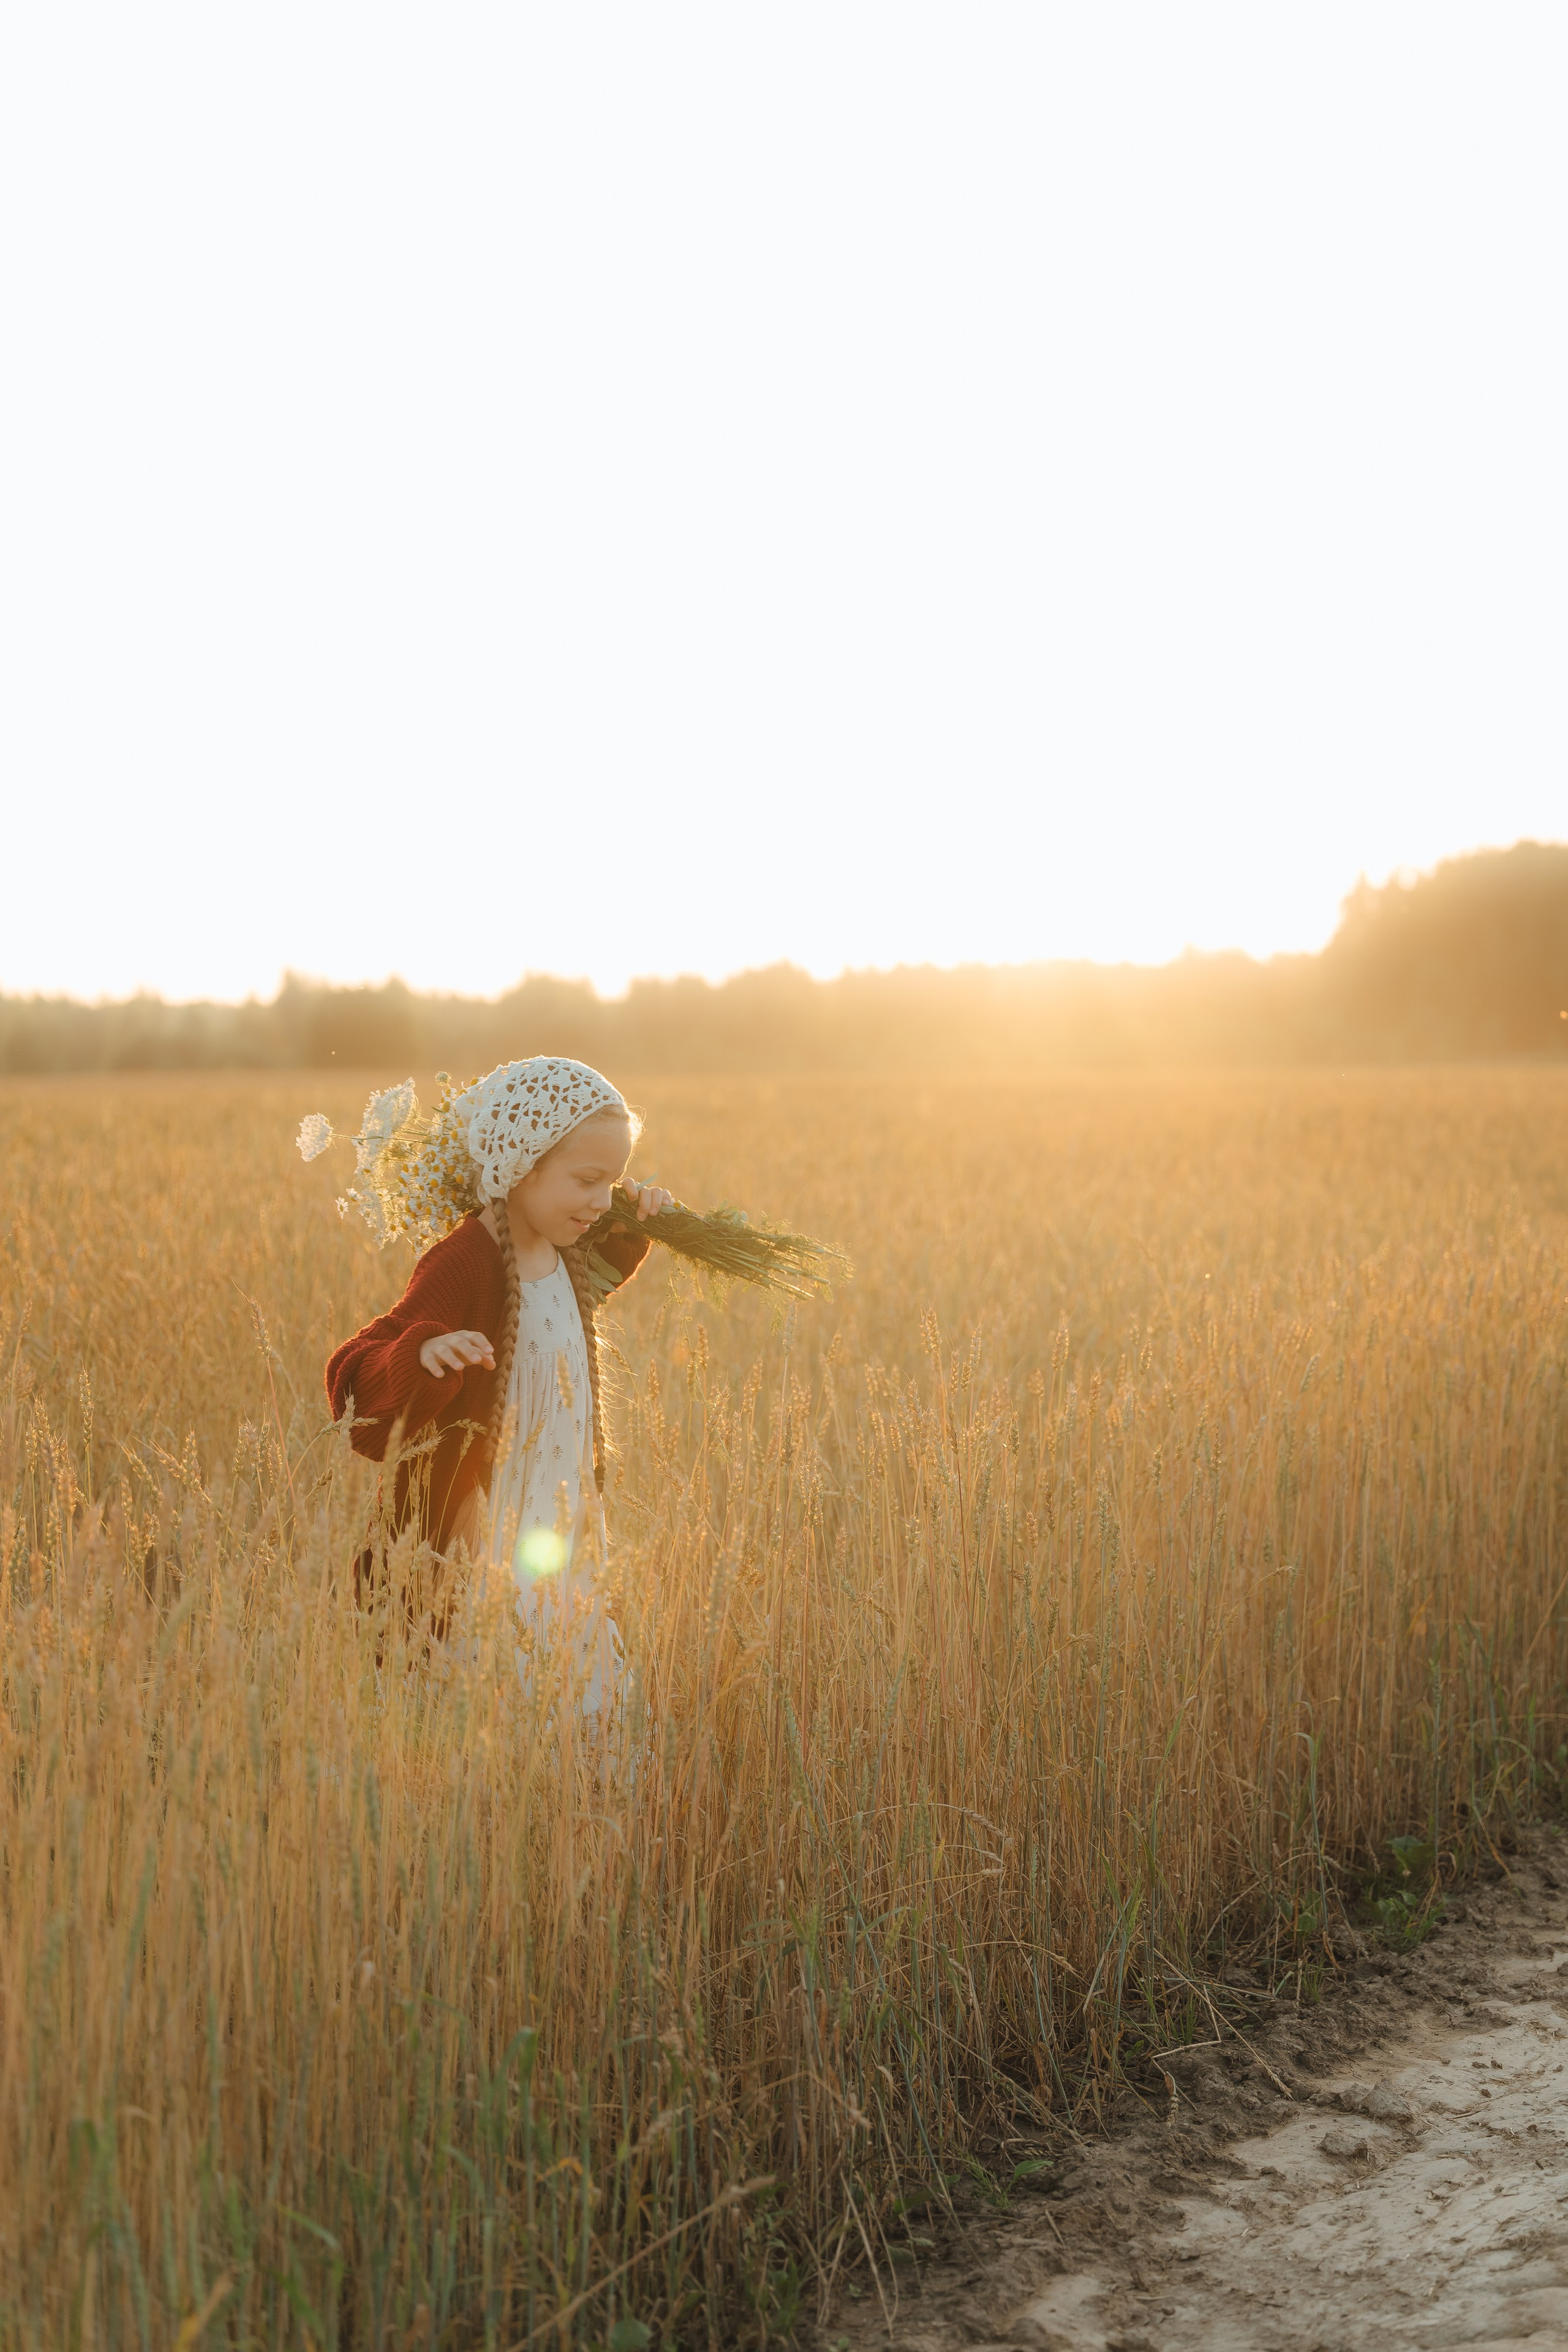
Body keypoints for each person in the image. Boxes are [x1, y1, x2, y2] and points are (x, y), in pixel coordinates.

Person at [322, 1058, 673, 1709]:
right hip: (480, 1543)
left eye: (613, 1182)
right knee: (495, 1701)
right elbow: (357, 1377)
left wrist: (634, 1228)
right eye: (588, 1181)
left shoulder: (564, 1248)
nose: (603, 1200)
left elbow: (560, 1314)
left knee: (575, 1689)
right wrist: (423, 1352)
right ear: (521, 1166)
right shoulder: (463, 1262)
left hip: (560, 1526)